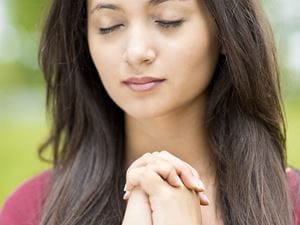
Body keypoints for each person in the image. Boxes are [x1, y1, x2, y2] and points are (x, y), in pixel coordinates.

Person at [0, 0, 299, 224]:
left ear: (224, 30)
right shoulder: (30, 211)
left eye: (169, 21)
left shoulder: (292, 206)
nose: (136, 52)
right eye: (110, 26)